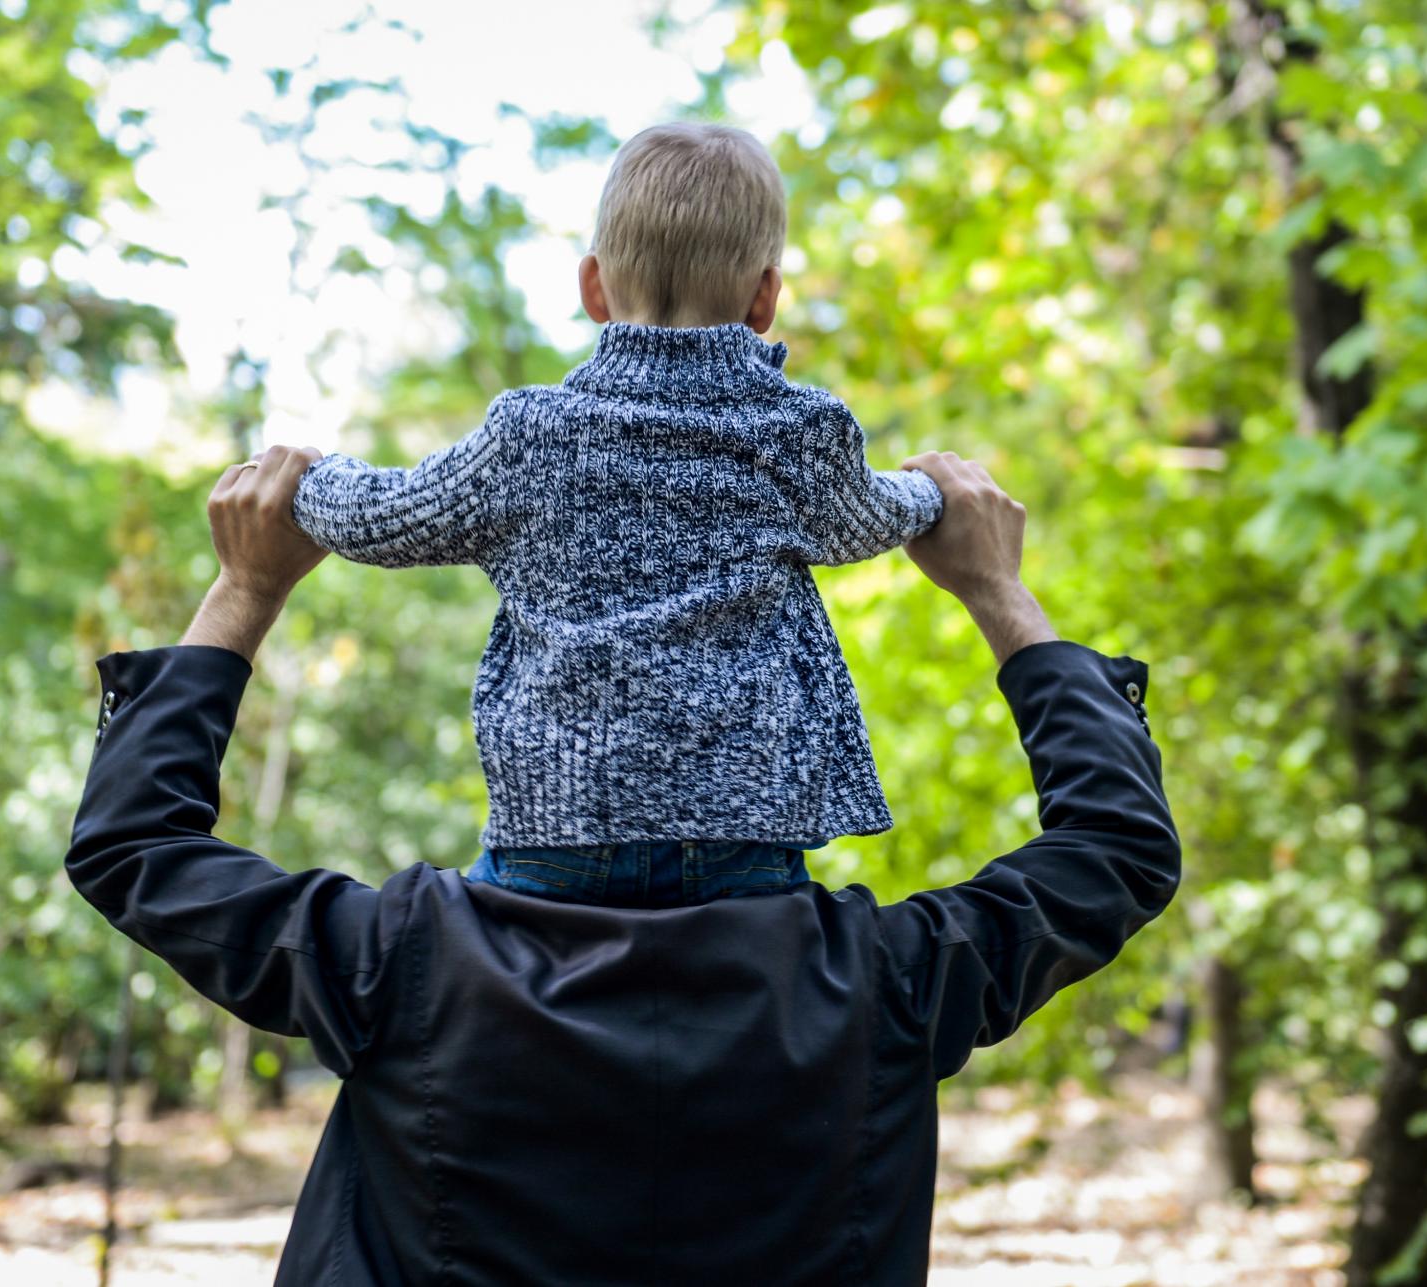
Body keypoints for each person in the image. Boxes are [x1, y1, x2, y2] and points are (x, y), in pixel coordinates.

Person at [65, 445, 1180, 1285]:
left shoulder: (399, 966)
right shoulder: (883, 987)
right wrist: (997, 593)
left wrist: (246, 590)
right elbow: (1115, 849)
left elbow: (136, 846)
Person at [289, 122, 947, 908]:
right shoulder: (799, 432)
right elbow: (869, 517)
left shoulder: (531, 436)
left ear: (592, 286)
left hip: (558, 835)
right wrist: (932, 490)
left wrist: (309, 477)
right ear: (765, 297)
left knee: (493, 968)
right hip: (740, 840)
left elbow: (384, 517)